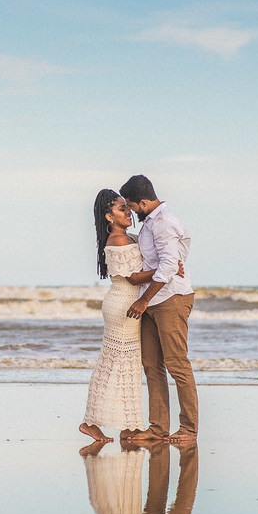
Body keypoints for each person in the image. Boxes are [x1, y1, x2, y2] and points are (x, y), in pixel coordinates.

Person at [81, 189, 170, 443]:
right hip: (122, 305)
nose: (128, 211)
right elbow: (132, 278)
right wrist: (164, 269)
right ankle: (93, 423)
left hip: (126, 304)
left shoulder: (127, 236)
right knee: (115, 365)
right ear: (109, 217)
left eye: (127, 207)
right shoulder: (117, 240)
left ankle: (124, 425)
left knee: (122, 365)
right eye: (122, 209)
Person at [120, 175, 198, 442]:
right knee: (151, 365)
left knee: (177, 364)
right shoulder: (150, 224)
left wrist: (143, 300)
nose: (131, 211)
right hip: (152, 301)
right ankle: (157, 428)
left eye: (131, 207)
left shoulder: (165, 223)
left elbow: (168, 266)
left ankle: (188, 429)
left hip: (171, 299)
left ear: (143, 202)